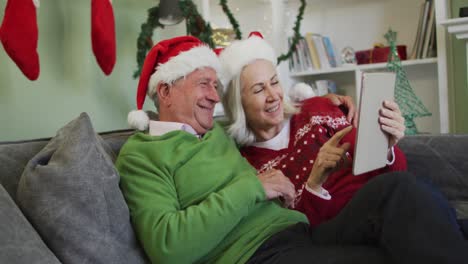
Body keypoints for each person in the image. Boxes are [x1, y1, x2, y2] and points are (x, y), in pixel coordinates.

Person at [116, 35, 468, 264]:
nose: (212, 95)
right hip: (258, 254)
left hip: (300, 232)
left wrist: (320, 102)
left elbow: (261, 113)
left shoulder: (213, 134)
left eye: (215, 85)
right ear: (164, 92)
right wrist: (255, 187)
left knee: (400, 192)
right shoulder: (142, 154)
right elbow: (168, 248)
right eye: (203, 84)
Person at [219, 32, 407, 226]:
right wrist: (314, 184)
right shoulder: (248, 164)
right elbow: (294, 229)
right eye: (258, 89)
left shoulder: (317, 108)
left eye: (274, 82)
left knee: (406, 189)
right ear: (238, 104)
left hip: (384, 199)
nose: (273, 95)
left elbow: (396, 170)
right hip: (339, 228)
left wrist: (385, 146)